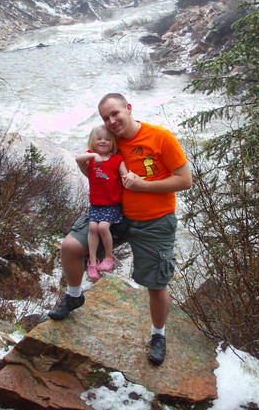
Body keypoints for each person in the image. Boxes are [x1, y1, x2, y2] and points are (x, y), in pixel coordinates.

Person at [49, 93, 192, 366]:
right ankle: (74, 296)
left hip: (154, 219)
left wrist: (144, 187)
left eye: (115, 113)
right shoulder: (109, 141)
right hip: (114, 214)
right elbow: (102, 174)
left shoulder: (160, 138)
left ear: (128, 108)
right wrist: (85, 167)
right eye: (105, 117)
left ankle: (158, 335)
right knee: (70, 247)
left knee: (155, 282)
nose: (111, 121)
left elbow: (185, 180)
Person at [75, 125, 127, 281]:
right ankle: (92, 262)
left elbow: (124, 175)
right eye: (99, 139)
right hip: (96, 203)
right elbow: (78, 158)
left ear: (113, 142)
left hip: (111, 203)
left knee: (103, 227)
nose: (103, 141)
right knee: (92, 227)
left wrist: (131, 179)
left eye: (107, 139)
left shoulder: (117, 159)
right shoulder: (90, 156)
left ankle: (109, 257)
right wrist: (93, 157)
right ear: (93, 141)